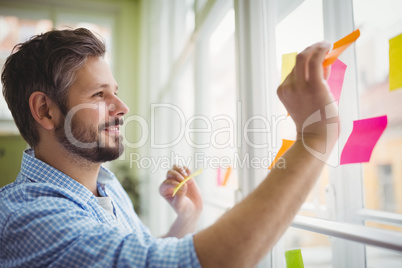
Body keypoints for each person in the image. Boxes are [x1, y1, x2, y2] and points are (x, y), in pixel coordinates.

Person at [0, 28, 338, 267]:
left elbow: (134, 256)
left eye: (114, 91)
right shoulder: (27, 217)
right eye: (99, 94)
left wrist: (184, 221)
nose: (122, 106)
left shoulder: (105, 185)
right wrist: (315, 140)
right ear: (45, 110)